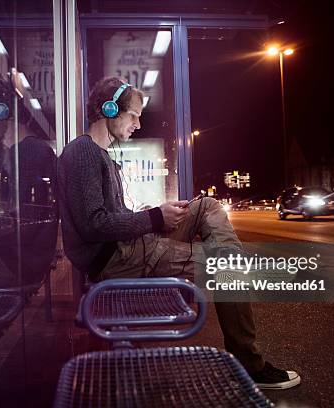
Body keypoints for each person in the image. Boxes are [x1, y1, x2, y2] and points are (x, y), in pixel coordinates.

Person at [57, 77, 300, 389]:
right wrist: (156, 218)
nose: (138, 123)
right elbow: (95, 225)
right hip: (116, 259)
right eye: (134, 114)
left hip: (130, 247)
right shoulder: (82, 153)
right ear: (109, 109)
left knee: (208, 206)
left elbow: (109, 218)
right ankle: (249, 364)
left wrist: (156, 214)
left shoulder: (99, 154)